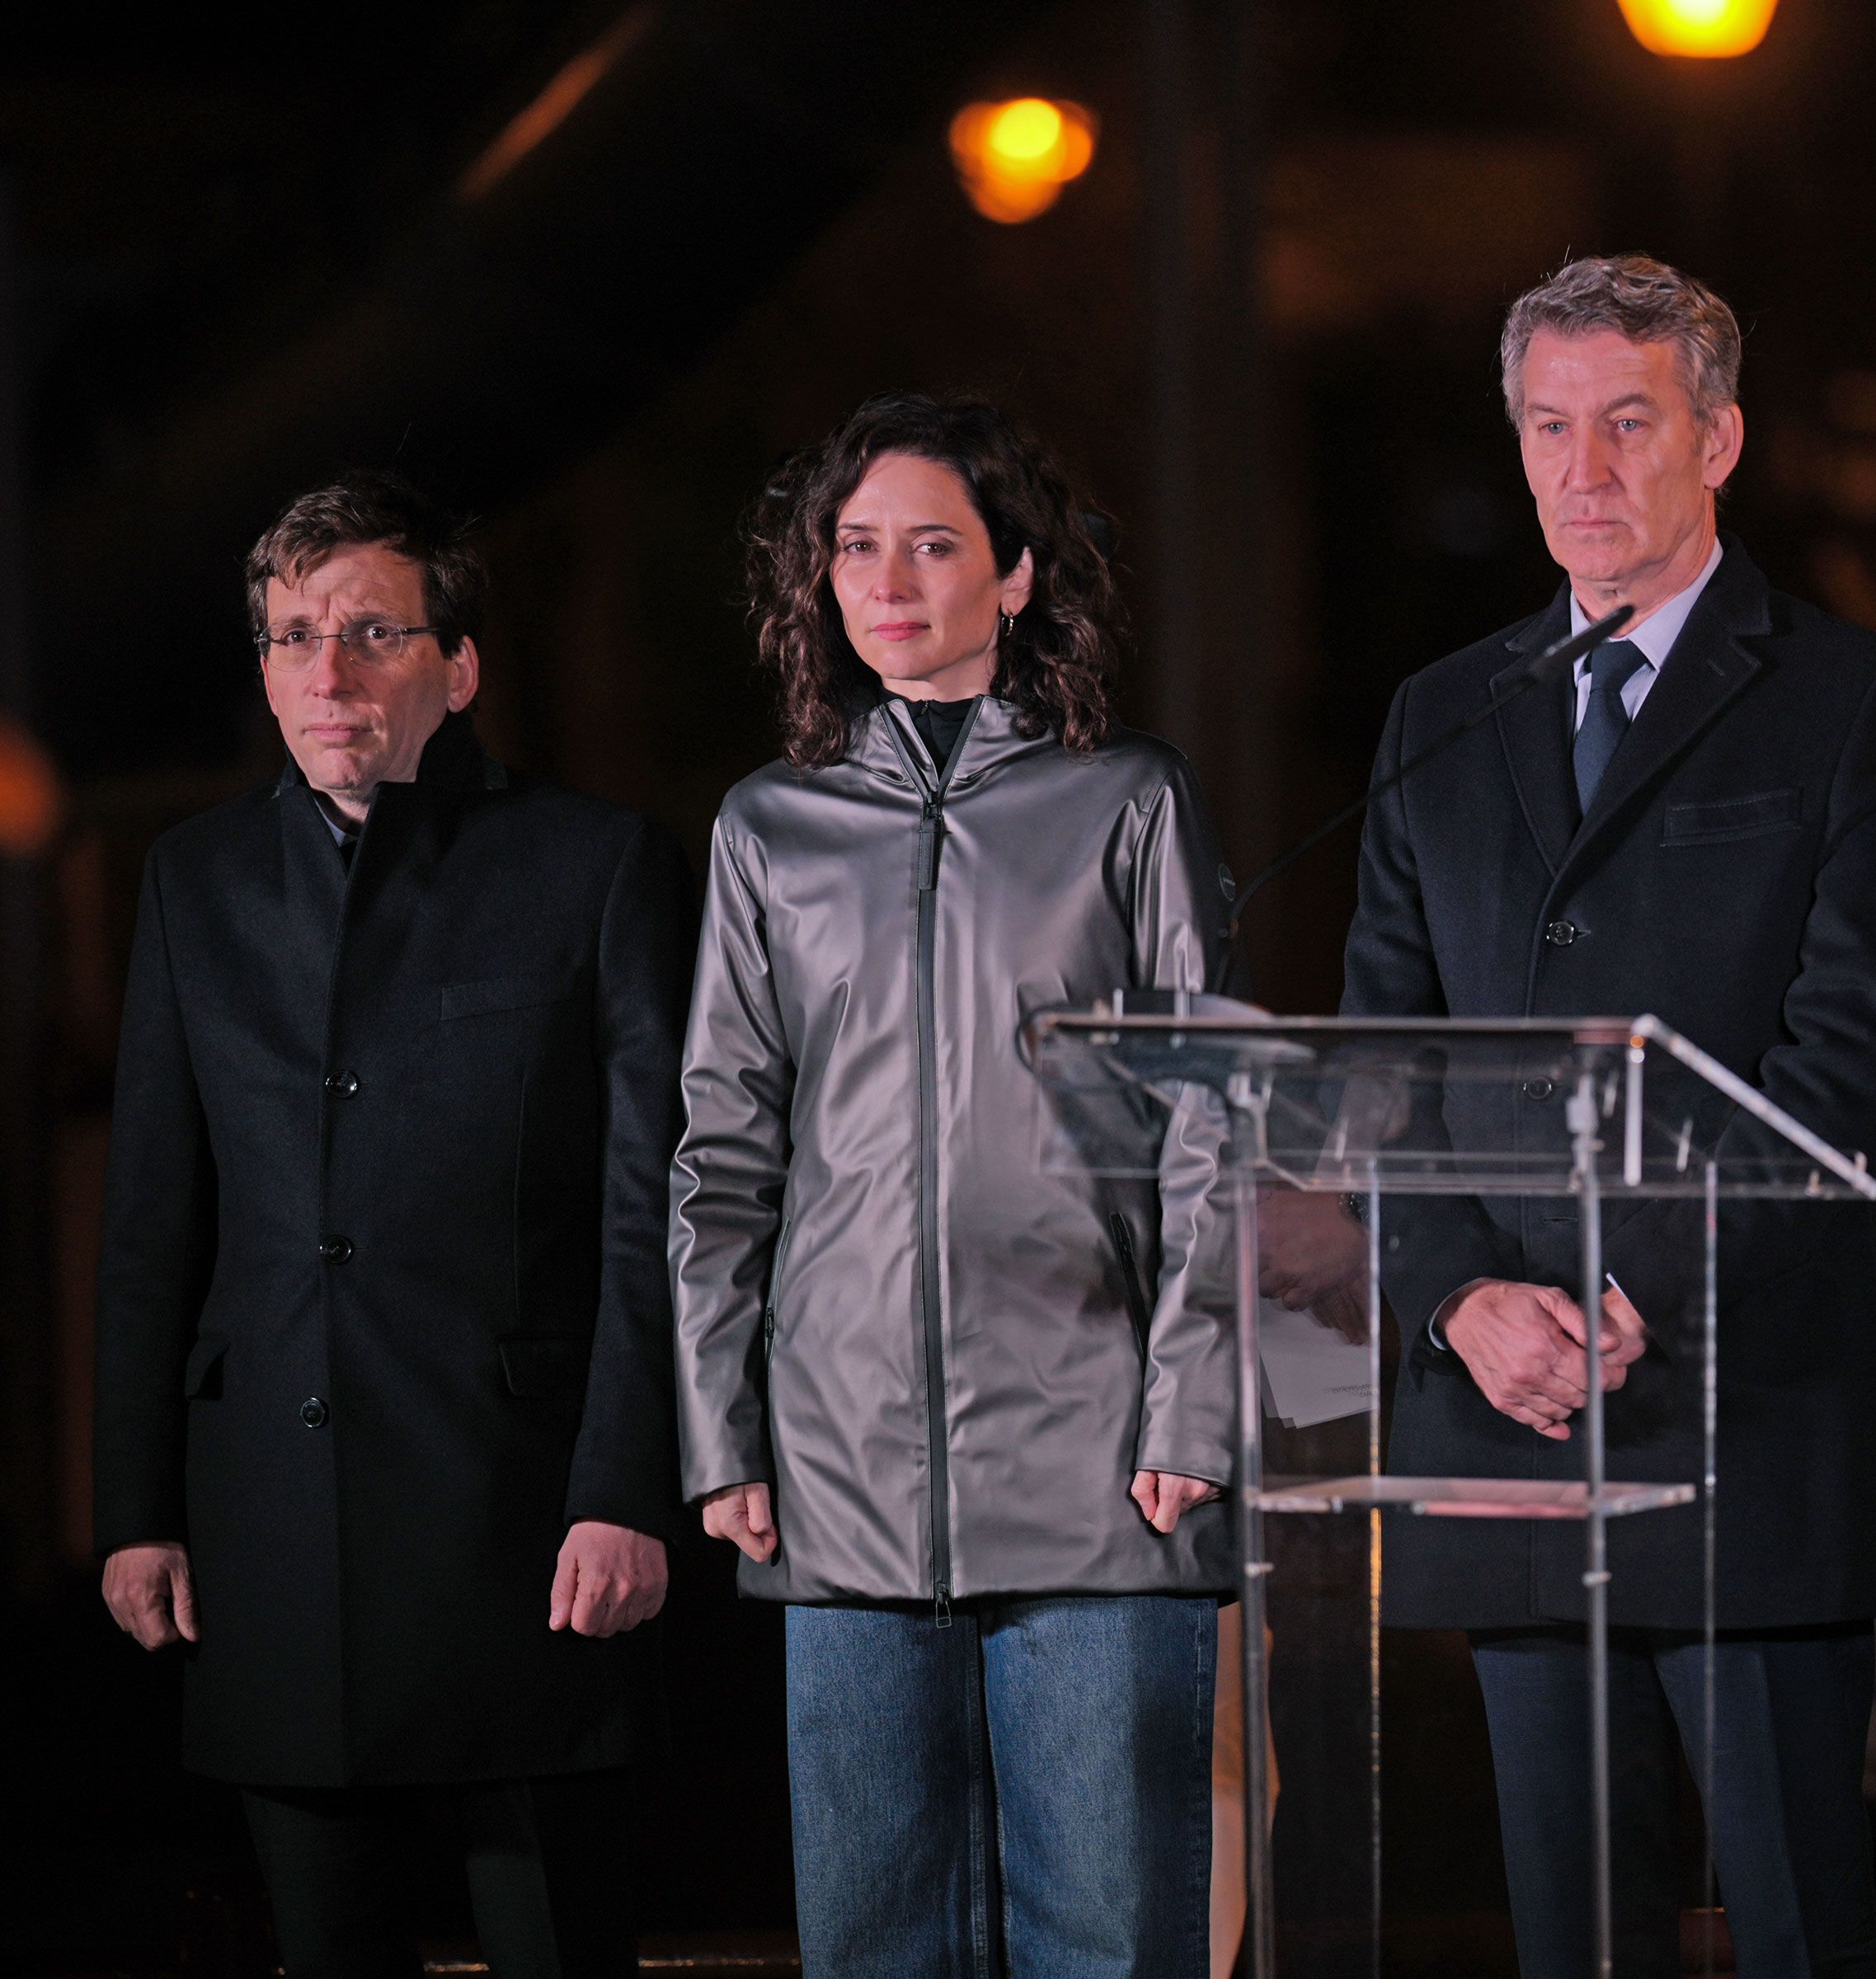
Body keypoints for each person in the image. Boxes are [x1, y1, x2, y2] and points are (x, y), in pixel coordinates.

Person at [1342, 256, 1876, 1979]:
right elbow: (1382, 1065)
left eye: (1628, 423)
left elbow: (1854, 1060)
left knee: (1790, 1928)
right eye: (1549, 428)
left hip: (1738, 1408)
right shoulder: (1438, 716)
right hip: (1508, 1423)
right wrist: (1459, 1304)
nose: (1583, 470)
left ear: (1722, 438)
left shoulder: (1853, 704)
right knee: (1575, 1943)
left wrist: (1635, 1295)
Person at [92, 473, 695, 1977]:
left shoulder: (594, 864)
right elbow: (155, 1212)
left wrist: (628, 1486)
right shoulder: (196, 881)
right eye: (293, 636)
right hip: (273, 1529)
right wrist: (134, 1503)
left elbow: (651, 1208)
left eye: (371, 632)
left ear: (461, 665)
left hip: (528, 1530)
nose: (327, 673)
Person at [670, 393, 1236, 1979]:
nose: (892, 580)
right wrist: (723, 1431)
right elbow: (723, 1150)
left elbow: (1216, 1128)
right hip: (837, 1473)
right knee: (874, 1948)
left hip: (1104, 1470)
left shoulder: (1129, 800)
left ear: (1018, 575)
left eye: (935, 543)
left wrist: (1190, 1412)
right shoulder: (769, 828)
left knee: (1109, 1943)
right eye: (858, 548)